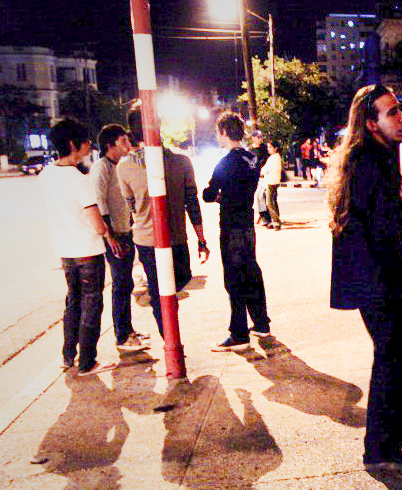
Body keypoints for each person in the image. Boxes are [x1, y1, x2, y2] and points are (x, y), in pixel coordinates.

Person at [328, 84, 402, 468]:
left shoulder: (371, 156)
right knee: (390, 357)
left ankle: (389, 441)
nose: (401, 118)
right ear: (371, 123)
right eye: (392, 113)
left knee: (393, 356)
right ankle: (379, 449)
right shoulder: (370, 162)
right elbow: (383, 232)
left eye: (399, 110)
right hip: (378, 281)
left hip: (375, 279)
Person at [116, 102, 209, 337]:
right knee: (165, 291)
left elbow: (130, 207)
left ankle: (165, 324)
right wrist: (200, 239)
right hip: (164, 239)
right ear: (158, 127)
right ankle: (170, 337)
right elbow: (192, 203)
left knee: (168, 288)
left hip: (152, 239)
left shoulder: (125, 166)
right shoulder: (180, 161)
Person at [38, 118, 118, 377]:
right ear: (73, 144)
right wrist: (106, 231)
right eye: (84, 141)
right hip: (88, 251)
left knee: (73, 302)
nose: (88, 144)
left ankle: (67, 355)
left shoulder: (46, 175)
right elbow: (97, 224)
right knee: (92, 304)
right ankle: (87, 362)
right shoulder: (79, 179)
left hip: (65, 252)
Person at [202, 111, 270, 351]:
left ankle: (239, 333)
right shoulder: (252, 158)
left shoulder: (226, 162)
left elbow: (208, 194)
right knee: (252, 272)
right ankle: (261, 322)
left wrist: (220, 196)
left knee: (234, 278)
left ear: (223, 132)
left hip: (231, 227)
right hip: (248, 225)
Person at [89, 123, 148, 354]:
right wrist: (110, 236)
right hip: (113, 236)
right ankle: (122, 336)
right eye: (122, 141)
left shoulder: (122, 165)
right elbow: (99, 202)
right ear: (109, 145)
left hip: (126, 231)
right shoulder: (101, 168)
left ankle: (128, 330)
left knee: (126, 283)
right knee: (121, 285)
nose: (128, 144)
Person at [258, 140, 283, 230]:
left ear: (275, 148)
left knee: (269, 202)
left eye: (270, 147)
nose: (268, 149)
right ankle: (275, 220)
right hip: (274, 181)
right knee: (273, 201)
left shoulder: (274, 158)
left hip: (271, 182)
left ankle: (276, 221)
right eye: (268, 147)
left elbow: (265, 169)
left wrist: (261, 171)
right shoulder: (275, 157)